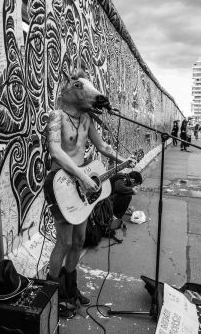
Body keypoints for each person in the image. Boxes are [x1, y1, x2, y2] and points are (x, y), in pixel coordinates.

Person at [43, 69, 136, 319]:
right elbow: (55, 151)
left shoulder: (86, 119)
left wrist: (121, 158)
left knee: (79, 239)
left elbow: (102, 146)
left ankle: (70, 290)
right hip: (61, 185)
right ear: (71, 90)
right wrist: (83, 176)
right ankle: (51, 294)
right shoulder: (57, 116)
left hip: (81, 188)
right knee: (64, 241)